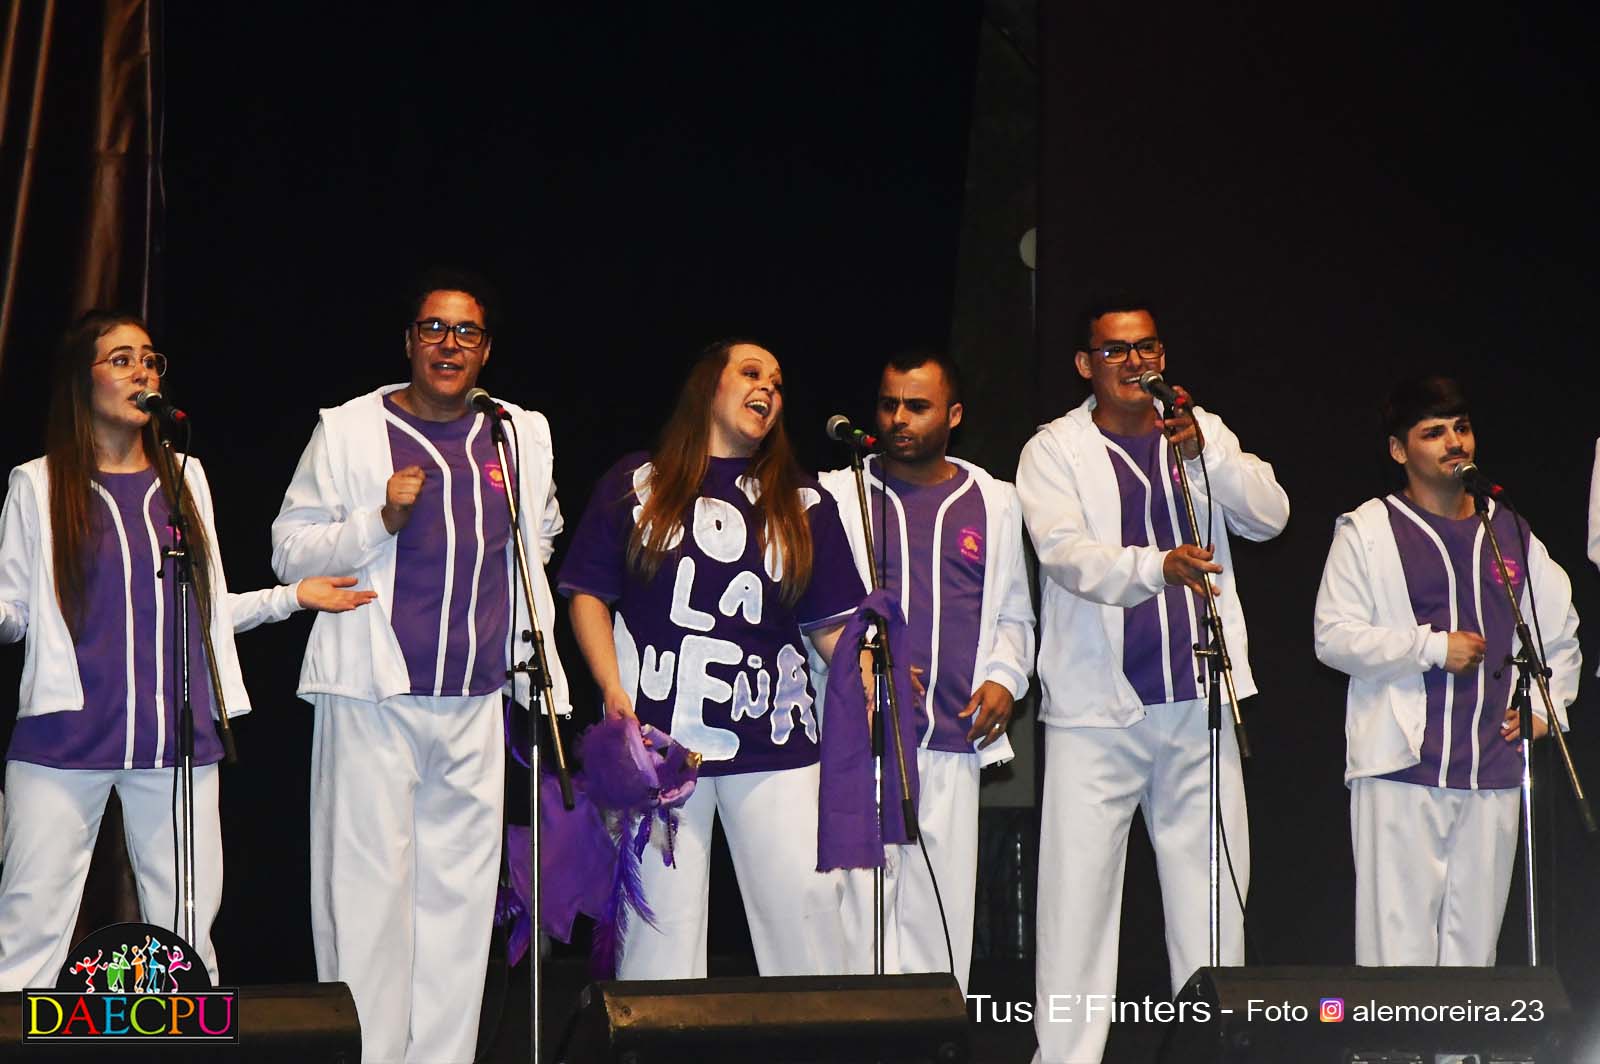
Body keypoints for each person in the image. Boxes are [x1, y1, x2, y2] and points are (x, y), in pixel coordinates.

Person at [0, 310, 371, 990]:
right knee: (28, 933)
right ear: (81, 380)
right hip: (64, 738)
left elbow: (206, 611)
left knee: (185, 937)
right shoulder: (38, 484)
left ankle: (183, 1040)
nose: (141, 371)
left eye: (149, 359)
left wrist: (292, 597)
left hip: (177, 739)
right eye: (120, 359)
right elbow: (14, 613)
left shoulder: (184, 478)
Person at [270, 269, 568, 1063]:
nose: (448, 344)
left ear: (486, 350)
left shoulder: (517, 432)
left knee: (460, 907)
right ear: (408, 341)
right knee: (367, 899)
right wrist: (381, 519)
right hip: (374, 697)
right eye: (433, 328)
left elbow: (538, 533)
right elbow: (288, 549)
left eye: (466, 332)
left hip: (476, 700)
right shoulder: (349, 430)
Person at [1016, 296, 1288, 1064]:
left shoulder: (1199, 431)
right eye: (1116, 350)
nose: (1135, 363)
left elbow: (1271, 515)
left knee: (1212, 900)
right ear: (1085, 365)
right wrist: (1155, 567)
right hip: (1096, 715)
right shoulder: (1053, 450)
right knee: (1076, 905)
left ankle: (1211, 1052)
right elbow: (1066, 555)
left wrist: (1209, 457)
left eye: (1147, 348)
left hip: (1198, 704)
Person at [559, 338, 865, 979]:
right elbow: (587, 593)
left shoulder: (803, 500)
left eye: (778, 383)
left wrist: (866, 669)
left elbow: (831, 625)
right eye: (752, 373)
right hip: (658, 746)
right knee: (658, 936)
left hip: (777, 742)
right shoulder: (637, 483)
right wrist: (613, 690)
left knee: (809, 914)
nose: (768, 389)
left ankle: (822, 1032)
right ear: (709, 387)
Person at [1314, 376, 1580, 966]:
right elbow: (1332, 637)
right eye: (1433, 432)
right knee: (1398, 953)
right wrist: (1432, 649)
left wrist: (1546, 707)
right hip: (1403, 768)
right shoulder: (1370, 530)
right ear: (1398, 450)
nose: (1454, 442)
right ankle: (1400, 1034)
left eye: (1461, 427)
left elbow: (1559, 630)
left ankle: (1464, 1035)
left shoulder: (1507, 529)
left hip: (1493, 768)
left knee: (1475, 954)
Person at [815, 350, 1034, 993]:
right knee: (857, 922)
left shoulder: (995, 501)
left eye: (917, 406)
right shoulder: (837, 496)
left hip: (952, 739)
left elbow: (1015, 615)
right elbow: (808, 610)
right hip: (861, 744)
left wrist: (1005, 679)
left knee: (940, 925)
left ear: (954, 414)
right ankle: (857, 1038)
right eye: (889, 405)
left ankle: (932, 1037)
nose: (898, 419)